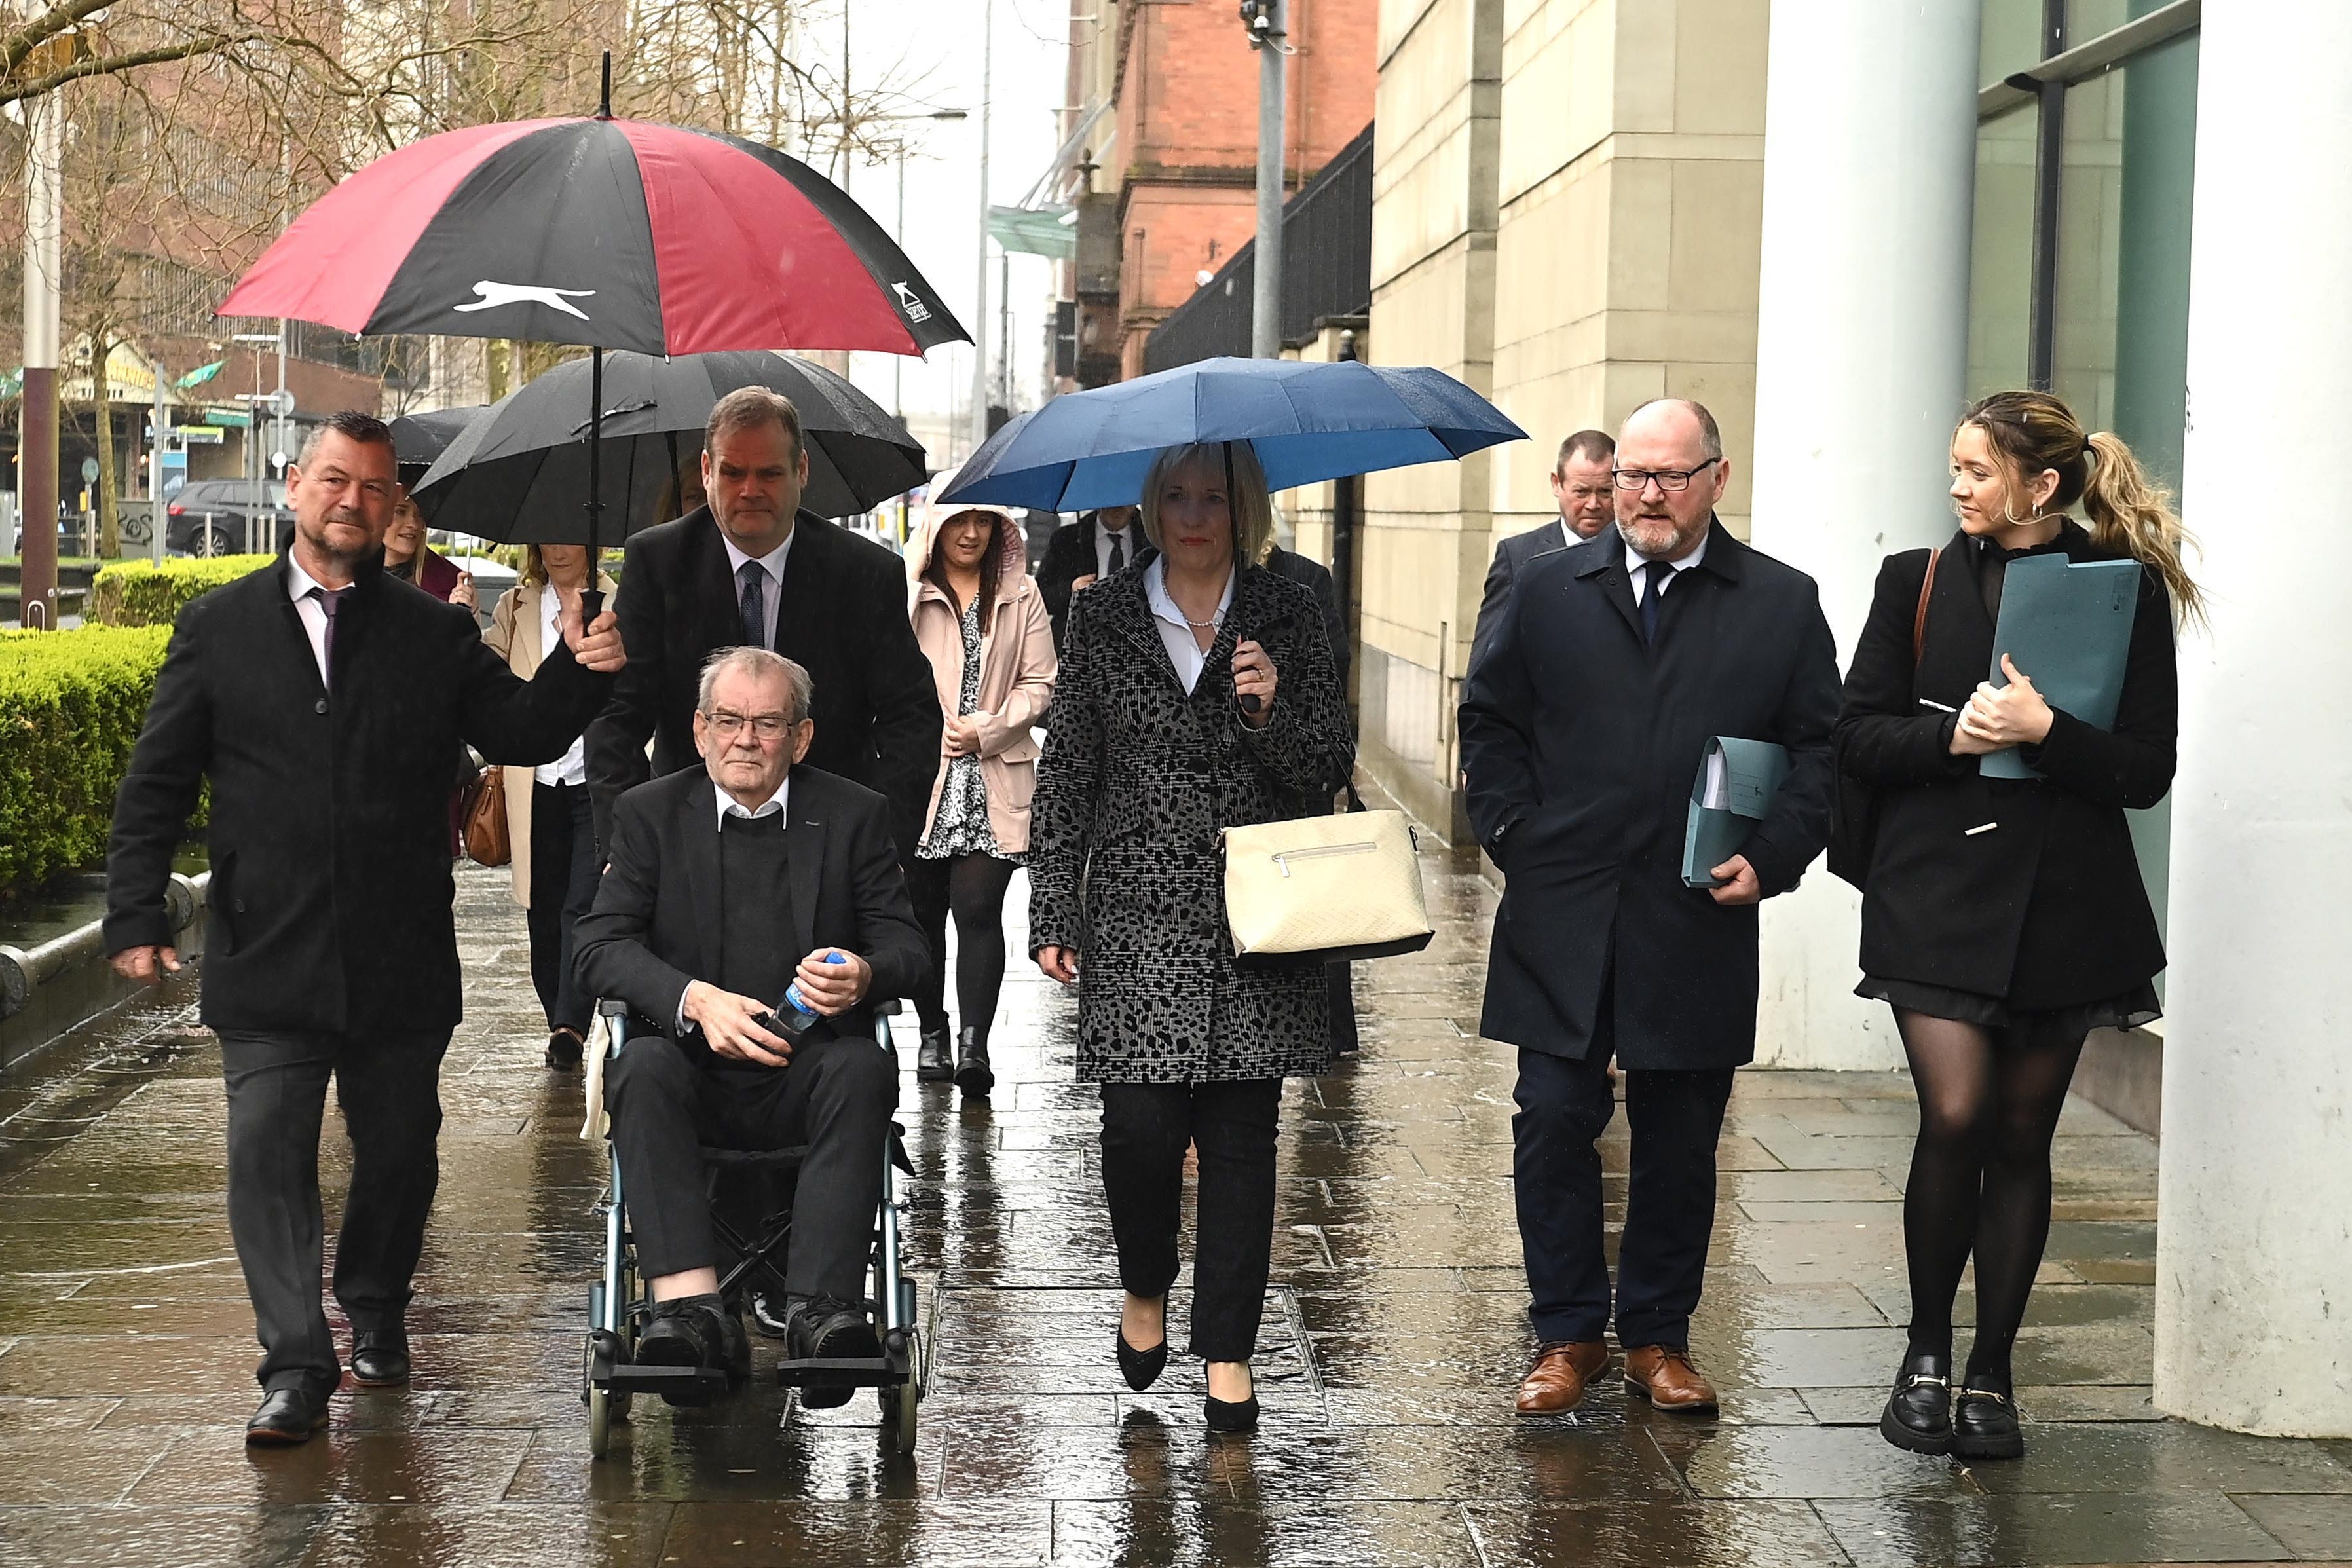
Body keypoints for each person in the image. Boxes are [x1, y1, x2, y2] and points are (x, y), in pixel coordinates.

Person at [102, 411, 626, 1447]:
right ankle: (296, 1363)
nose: (352, 500)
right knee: (267, 1154)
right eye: (334, 480)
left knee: (401, 1151)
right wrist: (133, 910)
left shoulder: (435, 634)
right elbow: (156, 782)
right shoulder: (219, 627)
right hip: (266, 947)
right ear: (295, 486)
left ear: (395, 509)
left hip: (398, 952)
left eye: (374, 487)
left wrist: (582, 665)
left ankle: (378, 1305)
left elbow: (519, 729)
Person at [1459, 398, 1839, 1419]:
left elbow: (1820, 752)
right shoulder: (1544, 589)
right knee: (1549, 1118)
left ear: (1717, 478)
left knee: (1679, 1136)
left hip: (1696, 909)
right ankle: (1567, 1332)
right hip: (1563, 905)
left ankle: (1659, 1338)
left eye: (1670, 476)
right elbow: (1487, 719)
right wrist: (1511, 833)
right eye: (1631, 474)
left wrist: (1770, 857)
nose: (1645, 495)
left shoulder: (1778, 603)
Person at [1841, 390, 2195, 1462]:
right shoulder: (1916, 578)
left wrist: (2048, 732)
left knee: (2020, 1135)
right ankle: (1924, 1351)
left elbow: (2146, 769)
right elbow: (1856, 735)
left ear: (2042, 485)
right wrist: (1953, 739)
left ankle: (1993, 1371)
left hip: (2064, 906)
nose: (1957, 487)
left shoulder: (2118, 587)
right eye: (1953, 467)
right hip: (1934, 897)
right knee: (1955, 1113)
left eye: (1978, 472)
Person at [1030, 440, 1353, 1434]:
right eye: (1175, 495)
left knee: (1240, 1141)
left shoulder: (1292, 606)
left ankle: (1227, 1351)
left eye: (1212, 495)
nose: (1193, 513)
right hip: (1135, 907)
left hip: (1257, 913)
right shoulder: (1102, 612)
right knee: (1136, 1131)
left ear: (1240, 503)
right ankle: (1142, 1282)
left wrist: (1266, 709)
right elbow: (1068, 769)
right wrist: (1053, 906)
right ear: (1151, 503)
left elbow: (1326, 764)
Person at [575, 648, 925, 1402]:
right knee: (637, 1068)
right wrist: (695, 999)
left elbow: (908, 948)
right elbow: (598, 947)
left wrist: (865, 974)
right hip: (689, 1069)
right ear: (700, 731)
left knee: (864, 1067)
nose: (747, 740)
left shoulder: (854, 814)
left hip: (809, 1073)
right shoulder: (650, 814)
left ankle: (822, 1312)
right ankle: (689, 1312)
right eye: (730, 721)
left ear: (800, 738)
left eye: (768, 724)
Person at [585, 386, 941, 863]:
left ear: (801, 471)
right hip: (687, 840)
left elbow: (911, 716)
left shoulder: (864, 572)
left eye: (769, 473)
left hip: (830, 843)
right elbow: (617, 718)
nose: (750, 491)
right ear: (708, 472)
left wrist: (882, 842)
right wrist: (628, 845)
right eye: (732, 473)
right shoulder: (658, 562)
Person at [905, 485, 1056, 1096]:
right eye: (958, 520)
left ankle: (974, 1044)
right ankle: (932, 1029)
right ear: (935, 524)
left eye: (985, 520)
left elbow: (1042, 681)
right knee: (920, 916)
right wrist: (923, 731)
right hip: (921, 779)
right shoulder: (905, 593)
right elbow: (879, 677)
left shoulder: (1022, 593)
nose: (971, 532)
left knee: (977, 909)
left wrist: (987, 729)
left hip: (995, 775)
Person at [485, 543, 620, 1069]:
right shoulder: (516, 606)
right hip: (534, 780)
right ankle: (557, 1015)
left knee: (581, 904)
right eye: (548, 536)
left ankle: (571, 1022)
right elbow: (489, 677)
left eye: (571, 536)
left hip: (594, 778)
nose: (559, 548)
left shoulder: (617, 602)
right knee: (543, 907)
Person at [1265, 540, 1360, 1056]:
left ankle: (1330, 1030)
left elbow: (1333, 666)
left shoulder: (1304, 578)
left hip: (1301, 765)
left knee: (1317, 903)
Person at [1472, 430, 1615, 665]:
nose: (1593, 504)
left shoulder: (1638, 554)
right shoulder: (1518, 558)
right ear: (1556, 484)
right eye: (1581, 492)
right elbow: (1485, 665)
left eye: (1605, 492)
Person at [1037, 504, 1151, 650]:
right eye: (1109, 497)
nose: (1116, 506)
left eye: (1121, 497)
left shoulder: (1153, 541)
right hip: (1080, 647)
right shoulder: (1066, 540)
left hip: (1137, 647)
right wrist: (1072, 591)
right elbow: (1043, 595)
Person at [382, 489, 476, 611]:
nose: (413, 524)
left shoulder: (452, 582)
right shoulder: (352, 571)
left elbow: (469, 629)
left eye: (420, 514)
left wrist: (455, 615)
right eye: (400, 511)